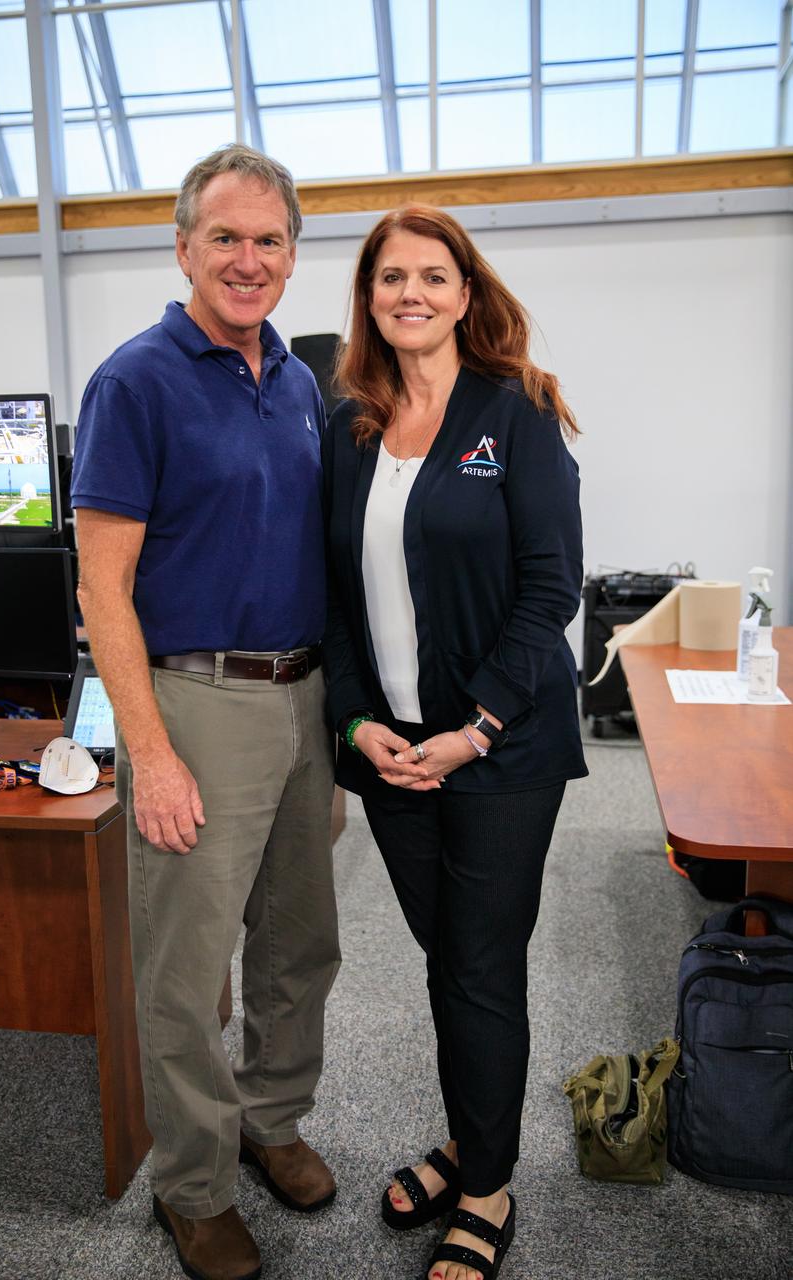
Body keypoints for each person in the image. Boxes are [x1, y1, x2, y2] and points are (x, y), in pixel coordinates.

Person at [71, 144, 341, 1280]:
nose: (246, 258)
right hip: (195, 698)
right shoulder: (135, 379)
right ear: (181, 246)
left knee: (298, 943)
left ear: (291, 257)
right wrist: (151, 750)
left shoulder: (297, 378)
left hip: (304, 699)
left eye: (268, 240)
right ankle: (192, 1185)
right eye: (223, 236)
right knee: (187, 968)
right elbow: (101, 590)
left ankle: (270, 1119)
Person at [322, 205, 587, 1280]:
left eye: (433, 275)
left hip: (500, 751)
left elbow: (550, 591)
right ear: (369, 296)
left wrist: (472, 728)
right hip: (393, 754)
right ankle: (472, 1134)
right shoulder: (349, 423)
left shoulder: (514, 411)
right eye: (392, 277)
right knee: (451, 963)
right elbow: (333, 600)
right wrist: (357, 721)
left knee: (479, 966)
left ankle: (485, 1185)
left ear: (465, 293)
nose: (412, 294)